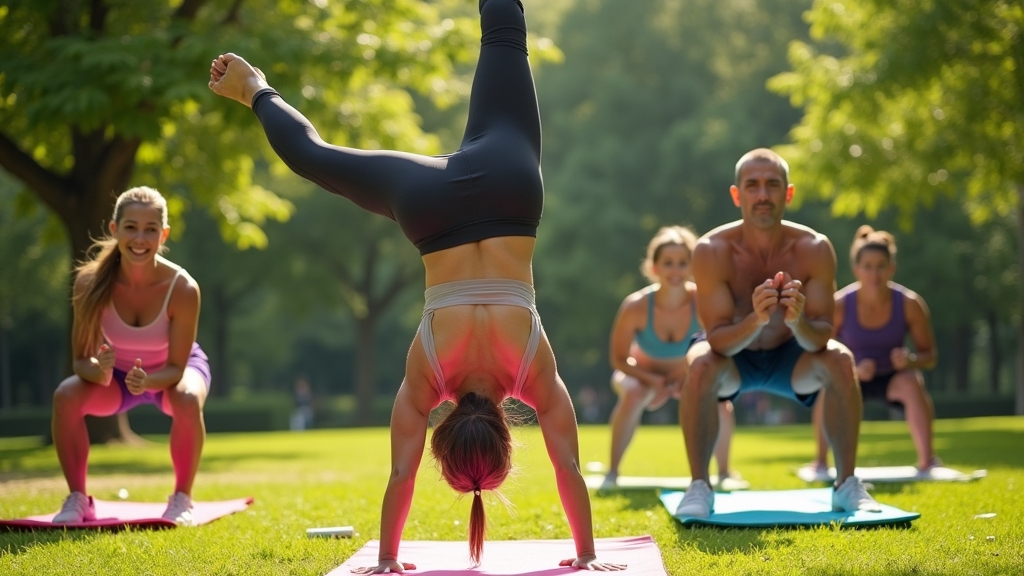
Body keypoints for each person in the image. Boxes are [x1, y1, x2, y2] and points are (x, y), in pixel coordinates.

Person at [208, 0, 623, 571]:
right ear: (441, 437)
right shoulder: (426, 379)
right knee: (315, 157)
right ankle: (255, 87)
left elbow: (567, 470)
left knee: (504, 32)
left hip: (510, 190)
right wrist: (386, 560)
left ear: (506, 436)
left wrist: (588, 556)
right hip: (430, 213)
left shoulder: (536, 374)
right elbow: (401, 475)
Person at [674, 148, 881, 518]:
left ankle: (846, 482)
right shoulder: (711, 249)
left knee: (840, 358)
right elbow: (717, 339)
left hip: (793, 355)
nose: (763, 195)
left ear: (788, 193)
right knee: (699, 361)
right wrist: (756, 318)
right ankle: (699, 485)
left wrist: (796, 320)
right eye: (752, 186)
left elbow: (820, 336)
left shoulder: (814, 248)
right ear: (737, 195)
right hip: (732, 358)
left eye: (773, 185)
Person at [51, 186, 210, 526]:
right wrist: (100, 370)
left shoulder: (182, 288)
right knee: (65, 395)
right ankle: (78, 498)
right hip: (117, 377)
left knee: (186, 401)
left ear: (163, 233)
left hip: (171, 373)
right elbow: (80, 361)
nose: (140, 238)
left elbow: (178, 368)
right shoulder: (89, 283)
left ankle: (182, 499)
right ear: (114, 230)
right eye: (131, 227)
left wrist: (149, 381)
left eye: (150, 229)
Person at [603, 226, 736, 489]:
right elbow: (618, 359)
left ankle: (724, 473)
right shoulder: (636, 306)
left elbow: (721, 346)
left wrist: (687, 376)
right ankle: (612, 472)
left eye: (682, 263)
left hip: (687, 376)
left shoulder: (704, 301)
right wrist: (651, 379)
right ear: (654, 268)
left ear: (692, 266)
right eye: (668, 264)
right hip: (639, 375)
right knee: (634, 394)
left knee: (721, 401)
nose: (675, 271)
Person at [810, 226, 939, 472]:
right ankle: (820, 462)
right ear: (856, 269)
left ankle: (928, 461)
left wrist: (910, 361)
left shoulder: (910, 304)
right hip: (852, 375)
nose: (874, 273)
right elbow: (818, 352)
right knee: (828, 385)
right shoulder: (839, 305)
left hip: (894, 378)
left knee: (913, 382)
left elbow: (930, 356)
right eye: (867, 266)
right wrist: (854, 368)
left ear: (892, 268)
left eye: (881, 266)